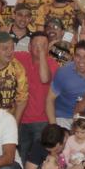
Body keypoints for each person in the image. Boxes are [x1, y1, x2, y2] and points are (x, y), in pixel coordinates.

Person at [14, 31, 58, 160]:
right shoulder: (21, 57)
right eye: (36, 45)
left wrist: (43, 55)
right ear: (29, 47)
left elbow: (44, 78)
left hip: (42, 120)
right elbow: (1, 54)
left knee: (37, 160)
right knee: (21, 157)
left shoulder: (52, 64)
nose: (39, 48)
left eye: (43, 45)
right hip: (20, 119)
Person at [46, 40, 85, 129]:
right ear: (73, 56)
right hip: (64, 117)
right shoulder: (63, 72)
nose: (81, 61)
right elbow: (50, 99)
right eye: (78, 56)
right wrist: (53, 125)